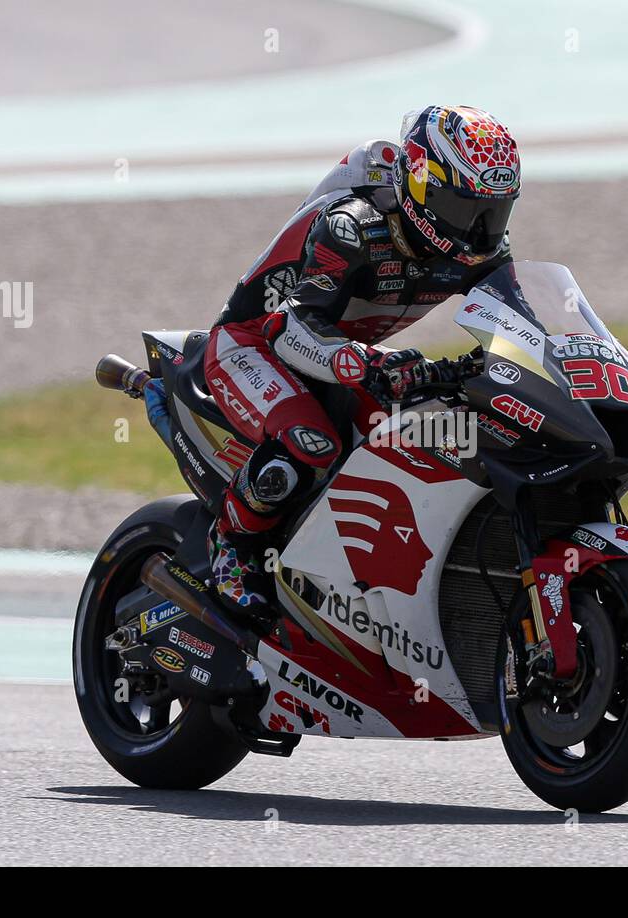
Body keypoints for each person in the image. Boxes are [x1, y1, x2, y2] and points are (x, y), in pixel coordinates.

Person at [148, 105, 521, 616]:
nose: (480, 232)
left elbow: (520, 323)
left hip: (343, 354)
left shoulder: (484, 250)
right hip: (254, 345)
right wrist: (370, 365)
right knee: (311, 444)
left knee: (432, 433)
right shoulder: (353, 225)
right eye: (466, 209)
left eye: (494, 212)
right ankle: (230, 548)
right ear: (420, 184)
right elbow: (291, 328)